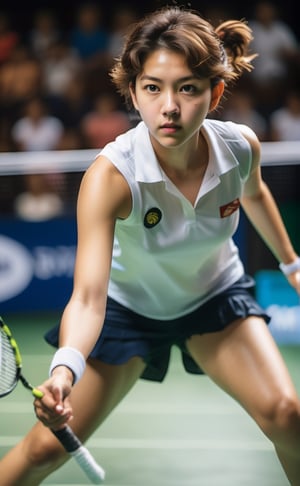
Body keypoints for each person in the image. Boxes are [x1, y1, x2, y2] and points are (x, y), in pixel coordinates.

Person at [1, 6, 300, 485]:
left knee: (289, 415)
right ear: (134, 93)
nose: (170, 107)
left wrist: (293, 266)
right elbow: (88, 296)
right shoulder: (111, 177)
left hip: (214, 298)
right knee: (42, 450)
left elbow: (255, 193)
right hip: (127, 308)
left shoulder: (240, 146)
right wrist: (63, 371)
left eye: (187, 88)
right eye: (153, 88)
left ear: (214, 92)